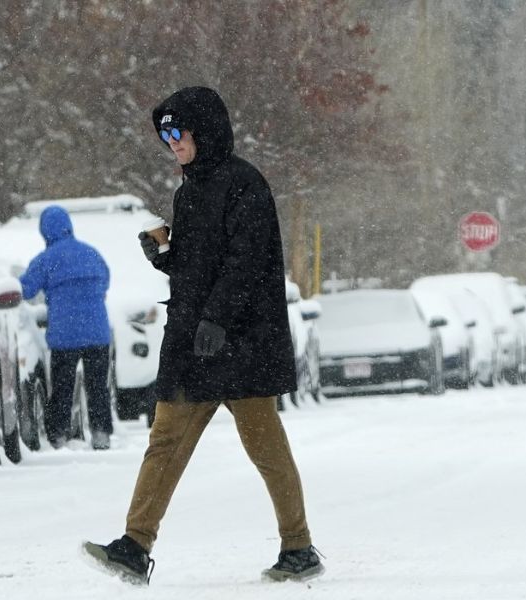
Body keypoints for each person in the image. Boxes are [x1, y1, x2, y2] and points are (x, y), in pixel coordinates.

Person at [82, 87, 322, 584]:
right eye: (164, 134)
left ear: (204, 131)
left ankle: (298, 548)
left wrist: (217, 318)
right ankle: (134, 545)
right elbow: (199, 266)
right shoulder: (189, 190)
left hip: (242, 342)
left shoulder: (244, 184)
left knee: (265, 447)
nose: (171, 142)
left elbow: (247, 263)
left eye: (178, 131)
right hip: (197, 343)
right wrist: (166, 256)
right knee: (165, 439)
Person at [19, 206, 114, 450]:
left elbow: (26, 290)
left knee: (62, 387)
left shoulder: (45, 260)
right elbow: (105, 279)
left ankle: (58, 435)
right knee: (97, 387)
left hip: (65, 334)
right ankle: (101, 433)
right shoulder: (91, 253)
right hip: (97, 332)